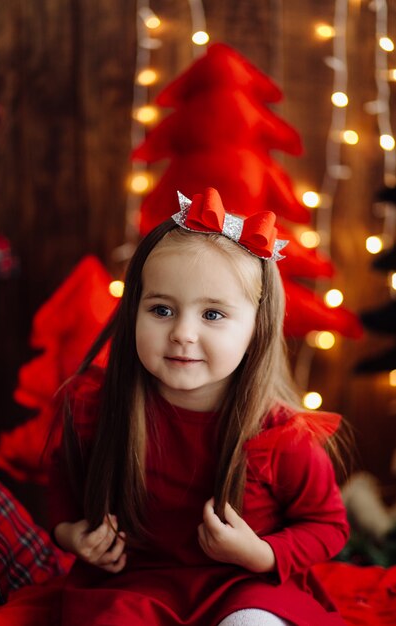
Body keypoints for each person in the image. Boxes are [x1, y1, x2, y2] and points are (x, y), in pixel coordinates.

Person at [49, 187, 349, 626]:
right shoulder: (96, 409)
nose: (183, 334)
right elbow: (62, 492)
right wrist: (72, 534)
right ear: (134, 310)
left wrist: (262, 553)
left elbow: (328, 526)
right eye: (162, 310)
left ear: (255, 331)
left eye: (212, 315)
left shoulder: (279, 435)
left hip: (244, 584)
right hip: (135, 583)